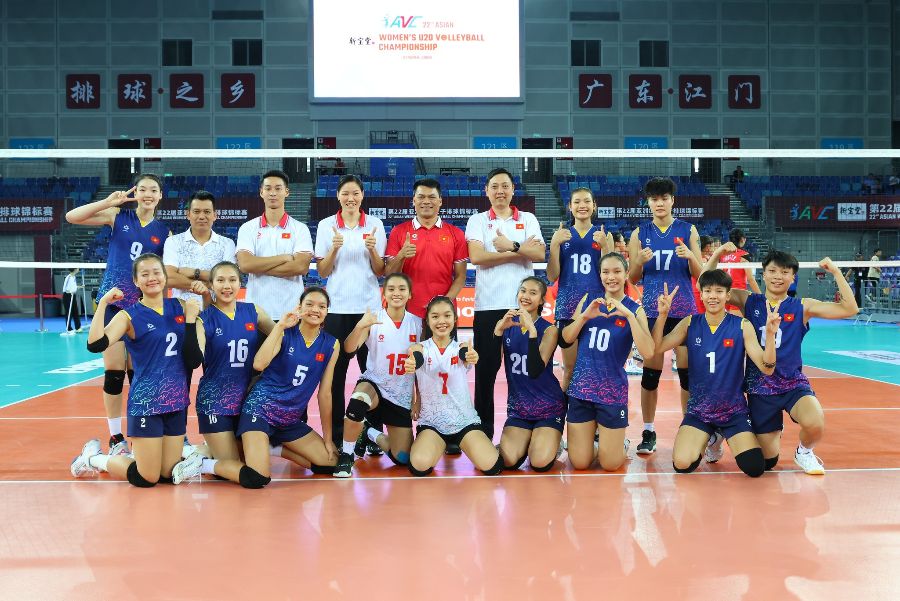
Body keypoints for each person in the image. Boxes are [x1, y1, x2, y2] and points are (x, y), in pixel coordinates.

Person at [703, 249, 859, 475]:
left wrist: (835, 272)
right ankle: (721, 433)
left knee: (815, 421)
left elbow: (850, 308)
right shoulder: (748, 300)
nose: (778, 276)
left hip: (792, 384)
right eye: (772, 271)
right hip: (760, 389)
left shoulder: (802, 306)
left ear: (792, 277)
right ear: (763, 274)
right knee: (767, 462)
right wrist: (716, 255)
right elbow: (705, 283)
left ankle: (804, 452)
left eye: (784, 272)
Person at [70, 254, 204, 486]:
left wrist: (198, 308)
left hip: (176, 403)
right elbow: (95, 344)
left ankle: (139, 456)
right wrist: (103, 303)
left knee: (166, 475)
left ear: (165, 277)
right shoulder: (128, 315)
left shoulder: (181, 307)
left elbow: (194, 357)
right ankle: (93, 458)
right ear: (136, 281)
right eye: (145, 274)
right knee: (146, 477)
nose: (152, 278)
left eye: (156, 272)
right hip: (146, 403)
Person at [65, 173, 172, 455]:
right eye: (143, 189)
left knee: (139, 375)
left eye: (154, 190)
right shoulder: (117, 216)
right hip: (113, 305)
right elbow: (72, 217)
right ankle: (115, 437)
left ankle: (142, 431)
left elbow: (166, 275)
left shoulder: (165, 232)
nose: (148, 194)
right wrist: (108, 201)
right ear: (136, 192)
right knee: (113, 374)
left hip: (143, 311)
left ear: (160, 196)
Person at [652, 270, 777, 478]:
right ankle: (709, 439)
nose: (713, 296)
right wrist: (662, 315)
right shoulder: (690, 323)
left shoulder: (742, 326)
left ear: (728, 295)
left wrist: (770, 336)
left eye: (719, 291)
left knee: (754, 467)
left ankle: (718, 435)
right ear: (700, 294)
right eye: (708, 291)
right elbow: (657, 347)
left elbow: (767, 367)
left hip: (734, 411)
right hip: (699, 411)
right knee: (682, 464)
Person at [167, 261, 276, 485]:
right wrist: (190, 322)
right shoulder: (204, 319)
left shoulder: (253, 311)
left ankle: (194, 453)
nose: (227, 286)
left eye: (232, 280)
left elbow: (279, 338)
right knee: (237, 470)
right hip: (215, 403)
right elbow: (194, 359)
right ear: (211, 285)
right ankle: (200, 462)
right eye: (220, 280)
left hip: (247, 402)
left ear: (240, 283)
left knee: (246, 461)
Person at [229, 287, 341, 486]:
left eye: (321, 306)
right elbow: (258, 364)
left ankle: (273, 448)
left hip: (288, 420)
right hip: (260, 410)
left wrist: (328, 439)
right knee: (258, 477)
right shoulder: (285, 333)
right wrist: (279, 326)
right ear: (299, 307)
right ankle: (204, 464)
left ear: (326, 312)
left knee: (330, 462)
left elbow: (324, 394)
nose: (315, 310)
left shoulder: (331, 344)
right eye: (309, 304)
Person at [466, 167, 546, 440]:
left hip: (524, 307)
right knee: (485, 374)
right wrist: (517, 253)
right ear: (486, 191)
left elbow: (537, 253)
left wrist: (509, 246)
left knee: (523, 371)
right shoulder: (477, 221)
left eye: (505, 186)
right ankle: (483, 432)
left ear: (513, 190)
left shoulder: (528, 218)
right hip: (488, 308)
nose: (500, 191)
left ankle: (529, 425)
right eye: (494, 186)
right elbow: (477, 258)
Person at [627, 177, 702, 454]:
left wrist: (690, 257)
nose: (659, 203)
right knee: (650, 375)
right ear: (648, 202)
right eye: (654, 199)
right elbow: (632, 278)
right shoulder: (639, 233)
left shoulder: (687, 229)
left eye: (664, 198)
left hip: (683, 311)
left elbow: (701, 275)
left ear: (673, 200)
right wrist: (638, 262)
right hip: (651, 311)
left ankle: (689, 428)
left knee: (686, 376)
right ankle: (648, 431)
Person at [561, 254, 655, 471]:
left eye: (616, 272)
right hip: (581, 390)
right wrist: (584, 316)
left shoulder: (635, 309)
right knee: (580, 463)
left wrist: (630, 317)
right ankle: (598, 441)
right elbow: (566, 338)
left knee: (610, 464)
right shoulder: (588, 301)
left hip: (611, 392)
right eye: (606, 272)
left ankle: (619, 443)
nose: (611, 277)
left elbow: (648, 352)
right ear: (600, 275)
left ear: (625, 275)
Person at [314, 174, 388, 448]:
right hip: (337, 309)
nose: (350, 198)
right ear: (338, 196)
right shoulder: (326, 226)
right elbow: (322, 271)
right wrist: (334, 249)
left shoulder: (375, 225)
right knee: (336, 376)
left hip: (369, 310)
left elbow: (381, 271)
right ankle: (335, 434)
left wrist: (372, 251)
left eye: (355, 193)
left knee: (373, 373)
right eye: (346, 193)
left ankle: (373, 434)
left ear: (362, 196)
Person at [403, 296, 503, 476]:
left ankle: (464, 443)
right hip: (433, 423)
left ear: (455, 319)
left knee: (492, 466)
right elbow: (416, 356)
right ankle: (437, 445)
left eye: (447, 316)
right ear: (427, 320)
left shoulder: (460, 347)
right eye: (435, 316)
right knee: (419, 466)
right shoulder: (419, 348)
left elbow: (466, 353)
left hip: (463, 421)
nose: (441, 321)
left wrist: (471, 355)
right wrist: (413, 363)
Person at [333, 273, 422, 477]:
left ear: (410, 294)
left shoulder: (418, 324)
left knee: (402, 458)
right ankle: (347, 456)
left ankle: (369, 432)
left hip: (400, 394)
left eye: (402, 289)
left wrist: (418, 399)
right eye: (391, 289)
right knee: (358, 400)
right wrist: (360, 326)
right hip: (375, 384)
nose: (396, 293)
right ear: (384, 293)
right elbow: (348, 349)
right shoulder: (374, 319)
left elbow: (422, 367)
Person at [495, 277, 566, 472]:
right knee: (508, 461)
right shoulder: (508, 325)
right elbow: (492, 366)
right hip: (520, 409)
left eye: (533, 293)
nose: (526, 296)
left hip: (548, 407)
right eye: (523, 291)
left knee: (539, 462)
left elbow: (535, 370)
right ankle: (528, 441)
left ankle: (553, 444)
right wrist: (499, 331)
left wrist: (532, 332)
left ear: (542, 300)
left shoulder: (549, 330)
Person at [545, 187, 610, 391]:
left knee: (597, 367)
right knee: (570, 368)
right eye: (577, 202)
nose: (582, 205)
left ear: (594, 206)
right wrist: (554, 246)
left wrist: (606, 248)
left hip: (596, 309)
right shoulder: (562, 236)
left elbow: (611, 276)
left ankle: (595, 416)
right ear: (570, 207)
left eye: (587, 201)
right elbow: (551, 276)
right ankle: (565, 417)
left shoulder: (602, 236)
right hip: (568, 310)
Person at [236, 169, 313, 321]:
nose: (272, 193)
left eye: (278, 188)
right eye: (268, 188)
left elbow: (300, 268)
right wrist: (283, 258)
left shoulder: (300, 229)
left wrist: (259, 266)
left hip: (291, 312)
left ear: (287, 192)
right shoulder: (248, 228)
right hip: (256, 312)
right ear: (261, 192)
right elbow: (245, 265)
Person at [384, 178, 468, 318]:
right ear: (414, 201)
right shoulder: (398, 232)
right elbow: (389, 275)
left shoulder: (456, 234)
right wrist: (401, 256)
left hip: (444, 313)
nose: (426, 201)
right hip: (406, 311)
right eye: (421, 197)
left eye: (432, 197)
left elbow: (461, 276)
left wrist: (445, 302)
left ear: (440, 201)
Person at [163, 191, 237, 305]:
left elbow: (229, 280)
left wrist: (195, 272)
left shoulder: (227, 244)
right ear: (188, 214)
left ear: (214, 215)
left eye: (207, 212)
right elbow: (169, 278)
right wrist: (207, 284)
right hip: (181, 311)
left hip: (216, 312)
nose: (202, 216)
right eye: (196, 211)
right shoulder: (173, 242)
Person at [717, 229, 762, 313]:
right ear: (742, 239)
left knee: (726, 324)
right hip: (738, 293)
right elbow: (750, 279)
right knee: (738, 324)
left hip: (724, 292)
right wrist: (761, 297)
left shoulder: (723, 255)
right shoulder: (744, 255)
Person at [60, 267, 82, 335]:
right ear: (74, 269)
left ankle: (78, 327)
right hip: (67, 296)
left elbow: (73, 287)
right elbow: (65, 289)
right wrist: (70, 291)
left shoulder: (73, 277)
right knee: (69, 312)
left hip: (73, 295)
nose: (78, 269)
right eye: (77, 268)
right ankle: (68, 328)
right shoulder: (68, 277)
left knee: (75, 311)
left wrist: (79, 287)